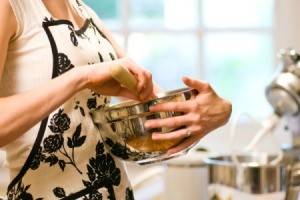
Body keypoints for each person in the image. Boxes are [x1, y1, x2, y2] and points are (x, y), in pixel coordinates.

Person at [0, 0, 232, 199]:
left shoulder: (85, 12)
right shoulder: (11, 6)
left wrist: (220, 111)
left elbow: (157, 107)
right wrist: (82, 77)